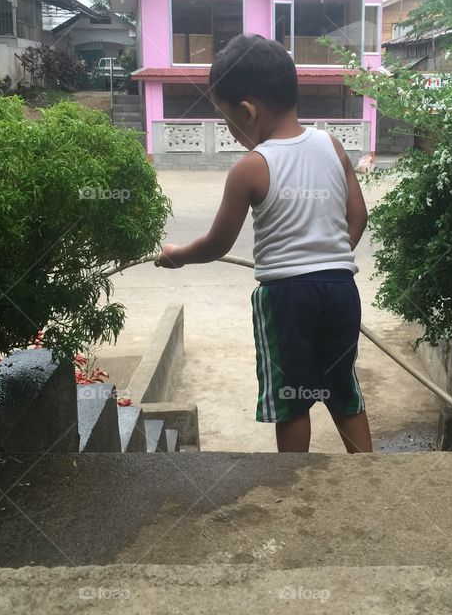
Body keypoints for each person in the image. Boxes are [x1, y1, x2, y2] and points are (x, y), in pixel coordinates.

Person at [155, 34, 372, 454]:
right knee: (342, 389)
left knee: (293, 400)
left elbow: (217, 244)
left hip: (286, 299)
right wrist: (328, 257)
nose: (228, 128)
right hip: (341, 291)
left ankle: (294, 488)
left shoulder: (251, 168)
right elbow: (358, 216)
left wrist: (177, 256)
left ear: (247, 110)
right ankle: (369, 476)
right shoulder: (332, 145)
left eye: (225, 117)